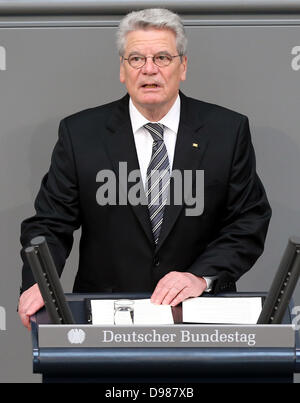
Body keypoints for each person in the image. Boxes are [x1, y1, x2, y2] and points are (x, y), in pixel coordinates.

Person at [18, 8, 271, 330]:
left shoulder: (227, 131)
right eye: (136, 59)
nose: (149, 70)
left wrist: (199, 276)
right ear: (123, 69)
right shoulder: (81, 133)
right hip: (105, 317)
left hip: (198, 314)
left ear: (183, 66)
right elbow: (51, 223)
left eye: (163, 58)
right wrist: (40, 281)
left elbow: (248, 220)